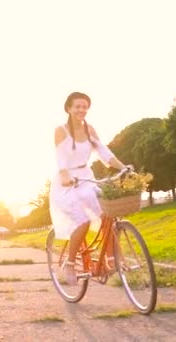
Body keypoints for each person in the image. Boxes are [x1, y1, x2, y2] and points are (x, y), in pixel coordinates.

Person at [49, 91, 131, 285]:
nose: (81, 110)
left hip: (86, 178)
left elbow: (104, 152)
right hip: (67, 183)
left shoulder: (89, 130)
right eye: (77, 106)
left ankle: (111, 258)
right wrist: (64, 174)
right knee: (83, 221)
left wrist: (123, 167)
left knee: (108, 213)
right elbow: (60, 157)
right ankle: (69, 263)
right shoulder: (61, 130)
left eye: (85, 106)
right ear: (68, 108)